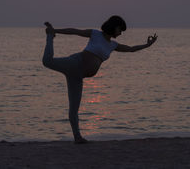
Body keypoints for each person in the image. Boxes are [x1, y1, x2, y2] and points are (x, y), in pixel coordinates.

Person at [42, 15, 157, 144]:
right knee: (47, 61)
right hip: (75, 63)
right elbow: (75, 31)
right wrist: (55, 31)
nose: (121, 33)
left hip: (78, 77)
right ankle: (50, 36)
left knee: (74, 108)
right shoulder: (95, 34)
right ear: (114, 27)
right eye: (120, 29)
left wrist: (148, 45)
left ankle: (77, 137)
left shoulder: (113, 45)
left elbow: (130, 49)